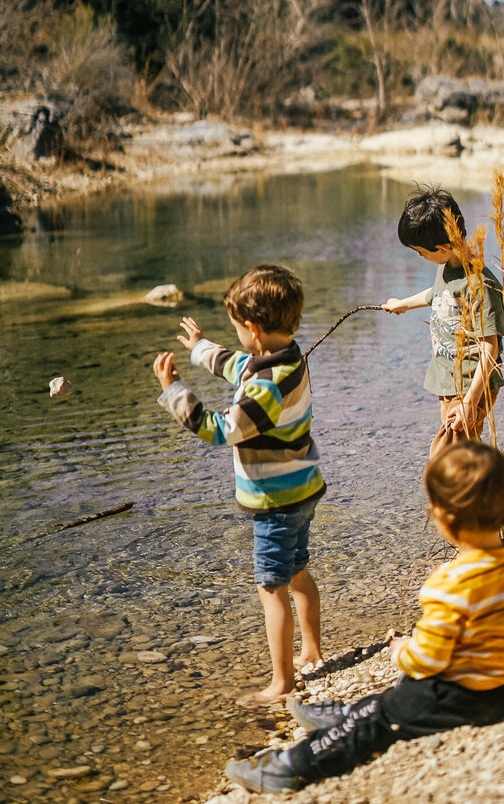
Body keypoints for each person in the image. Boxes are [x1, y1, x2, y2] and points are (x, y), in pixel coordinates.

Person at [225, 440, 504, 793]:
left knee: (380, 718)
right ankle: (348, 714)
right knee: (399, 699)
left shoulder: (449, 585)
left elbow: (428, 661)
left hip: (463, 698)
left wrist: (402, 651)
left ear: (442, 518)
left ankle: (291, 766)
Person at [152, 264, 325, 703]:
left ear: (253, 327)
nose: (239, 337)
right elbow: (238, 363)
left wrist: (174, 390)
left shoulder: (266, 387)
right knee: (298, 570)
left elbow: (219, 429)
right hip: (302, 488)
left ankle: (282, 682)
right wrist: (200, 348)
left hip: (275, 500)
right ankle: (313, 651)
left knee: (272, 586)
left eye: (237, 328)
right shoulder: (288, 356)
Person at [383, 186, 504, 457]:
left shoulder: (480, 285)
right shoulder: (449, 266)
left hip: (469, 384)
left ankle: (475, 497)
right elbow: (439, 294)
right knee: (459, 453)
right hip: (450, 381)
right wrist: (404, 304)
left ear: (442, 247)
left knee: (453, 457)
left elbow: (490, 348)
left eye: (420, 252)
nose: (419, 256)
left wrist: (470, 401)